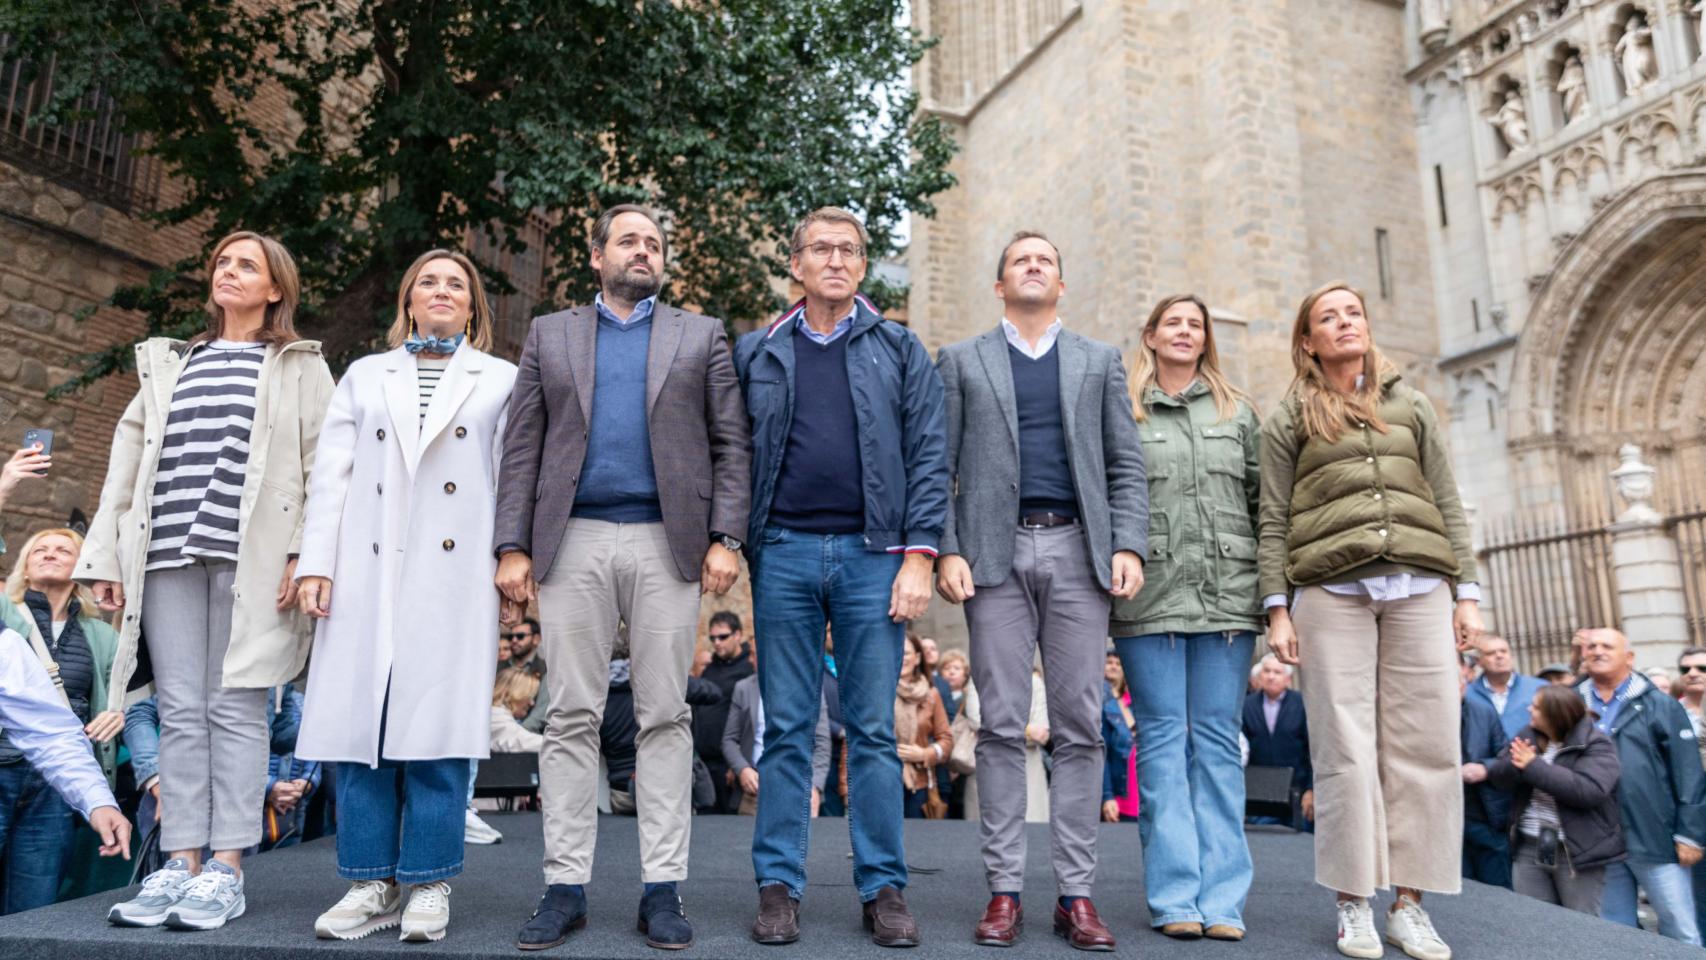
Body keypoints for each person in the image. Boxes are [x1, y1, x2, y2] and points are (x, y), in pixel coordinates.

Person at [495, 204, 751, 952]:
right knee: (571, 714)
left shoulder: (700, 335)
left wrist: (724, 536)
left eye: (655, 243)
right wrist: (511, 545)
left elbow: (731, 445)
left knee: (664, 715)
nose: (644, 251)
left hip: (666, 544)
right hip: (570, 539)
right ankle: (565, 887)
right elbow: (522, 448)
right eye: (630, 240)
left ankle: (662, 890)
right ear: (597, 253)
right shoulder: (551, 332)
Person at [86, 231, 334, 931]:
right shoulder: (172, 361)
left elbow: (324, 470)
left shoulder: (299, 365)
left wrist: (303, 555)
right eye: (222, 262)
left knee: (236, 707)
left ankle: (226, 865)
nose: (228, 272)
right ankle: (179, 860)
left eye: (246, 265)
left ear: (275, 289)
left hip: (250, 558)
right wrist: (107, 558)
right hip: (165, 551)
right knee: (180, 707)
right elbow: (125, 466)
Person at [733, 206, 947, 947]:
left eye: (848, 250)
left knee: (874, 736)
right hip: (783, 552)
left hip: (873, 557)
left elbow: (928, 455)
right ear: (795, 264)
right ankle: (778, 888)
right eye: (819, 249)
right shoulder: (757, 351)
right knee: (788, 729)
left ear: (861, 266)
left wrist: (920, 554)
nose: (834, 259)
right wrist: (732, 542)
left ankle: (884, 889)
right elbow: (735, 456)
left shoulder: (899, 347)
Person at [290, 248, 515, 942]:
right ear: (409, 301)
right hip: (368, 570)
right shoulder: (364, 375)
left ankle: (428, 881)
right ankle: (368, 881)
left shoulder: (501, 380)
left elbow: (511, 479)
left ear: (473, 305)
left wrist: (513, 562)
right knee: (361, 734)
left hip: (454, 579)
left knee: (438, 737)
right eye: (428, 282)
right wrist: (315, 561)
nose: (442, 291)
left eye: (456, 283)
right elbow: (331, 474)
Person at [1260, 281, 1483, 960]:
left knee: (1429, 745)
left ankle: (1410, 904)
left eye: (1352, 312)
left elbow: (1445, 497)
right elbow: (1272, 517)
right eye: (1328, 317)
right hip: (1330, 590)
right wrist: (1276, 608)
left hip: (1420, 586)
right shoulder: (1288, 416)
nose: (1344, 322)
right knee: (1345, 747)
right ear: (1309, 341)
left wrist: (1465, 592)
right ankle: (1354, 902)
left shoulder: (1410, 403)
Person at [934, 230, 1145, 949]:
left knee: (1081, 725)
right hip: (991, 556)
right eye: (1020, 259)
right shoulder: (960, 362)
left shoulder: (1099, 361)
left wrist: (1127, 543)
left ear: (1061, 284)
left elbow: (1125, 464)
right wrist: (948, 548)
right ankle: (1005, 892)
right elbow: (941, 465)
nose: (1033, 266)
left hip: (1079, 552)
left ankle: (1077, 895)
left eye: (1046, 260)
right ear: (999, 285)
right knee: (998, 725)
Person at [1108, 292, 1258, 942]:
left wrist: (1275, 600)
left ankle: (1224, 901)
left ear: (1206, 339)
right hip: (1151, 603)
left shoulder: (1237, 411)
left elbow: (1263, 505)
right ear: (1150, 335)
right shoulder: (1124, 411)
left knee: (1220, 748)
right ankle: (1175, 898)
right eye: (1173, 322)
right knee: (1164, 747)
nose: (1185, 332)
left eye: (1195, 324)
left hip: (1229, 599)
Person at [0, 517, 124, 914]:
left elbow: (51, 728)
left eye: (63, 550)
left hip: (50, 778)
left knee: (35, 904)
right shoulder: (10, 616)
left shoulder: (99, 634)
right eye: (40, 549)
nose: (51, 555)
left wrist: (97, 799)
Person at [1575, 628, 1705, 945]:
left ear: (1629, 658)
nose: (1597, 651)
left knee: (1679, 928)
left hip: (1655, 837)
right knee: (1614, 930)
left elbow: (1688, 773)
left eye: (1607, 645)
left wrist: (1689, 834)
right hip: (1598, 839)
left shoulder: (1661, 705)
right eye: (1591, 646)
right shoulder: (1571, 703)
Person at [0, 624, 132, 897]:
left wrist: (97, 801)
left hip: (36, 782)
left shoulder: (5, 643)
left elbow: (49, 733)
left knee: (30, 924)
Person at [1487, 683, 1624, 915]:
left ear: (1556, 714)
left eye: (1537, 707)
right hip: (1530, 844)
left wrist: (1532, 766)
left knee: (1580, 924)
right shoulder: (1529, 735)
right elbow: (1498, 778)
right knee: (1534, 921)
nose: (1529, 709)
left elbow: (1588, 791)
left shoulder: (1595, 743)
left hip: (1576, 852)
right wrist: (1514, 764)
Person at [603, 657, 726, 816]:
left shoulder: (598, 691)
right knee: (671, 837)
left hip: (621, 791)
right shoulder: (658, 680)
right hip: (663, 788)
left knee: (622, 839)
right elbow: (713, 692)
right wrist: (678, 677)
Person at [721, 673, 831, 816]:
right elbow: (729, 739)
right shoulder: (744, 687)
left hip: (798, 787)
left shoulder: (810, 687)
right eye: (754, 654)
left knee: (799, 837)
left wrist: (814, 785)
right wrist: (742, 769)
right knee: (746, 837)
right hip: (755, 789)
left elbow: (822, 741)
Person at [1242, 655, 1312, 832]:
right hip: (1258, 796)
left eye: (1277, 672)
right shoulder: (1246, 706)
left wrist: (1312, 789)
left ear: (1288, 679)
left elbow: (1313, 751)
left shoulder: (1303, 705)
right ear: (1259, 676)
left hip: (1297, 794)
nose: (1271, 676)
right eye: (1266, 671)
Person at [693, 611, 755, 814]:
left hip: (730, 765)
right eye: (713, 638)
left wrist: (735, 765)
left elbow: (748, 722)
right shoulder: (711, 668)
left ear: (737, 635)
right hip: (704, 762)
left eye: (723, 637)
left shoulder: (747, 669)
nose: (717, 643)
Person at [1459, 656, 1512, 888]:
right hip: (1443, 823)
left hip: (1485, 817)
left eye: (1459, 680)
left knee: (1499, 893)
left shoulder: (1483, 711)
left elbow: (1506, 757)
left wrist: (1485, 768)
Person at [894, 633, 953, 819]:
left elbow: (947, 740)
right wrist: (846, 787)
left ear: (918, 658)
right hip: (882, 781)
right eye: (897, 652)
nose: (901, 657)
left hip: (919, 784)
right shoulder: (877, 692)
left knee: (917, 844)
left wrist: (924, 754)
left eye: (907, 653)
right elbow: (854, 737)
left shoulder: (931, 695)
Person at [1466, 635, 1546, 741]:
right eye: (1490, 653)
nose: (1499, 656)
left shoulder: (1539, 688)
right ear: (1478, 661)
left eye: (1504, 651)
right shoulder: (1467, 694)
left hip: (1530, 754)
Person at [1106, 654, 1140, 823]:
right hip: (1121, 799)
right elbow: (1105, 757)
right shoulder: (1111, 707)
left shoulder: (1157, 710)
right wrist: (1107, 796)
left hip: (1153, 795)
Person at [492, 667, 545, 753]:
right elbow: (520, 741)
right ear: (513, 693)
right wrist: (563, 744)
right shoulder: (496, 715)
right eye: (529, 696)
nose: (531, 703)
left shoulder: (496, 714)